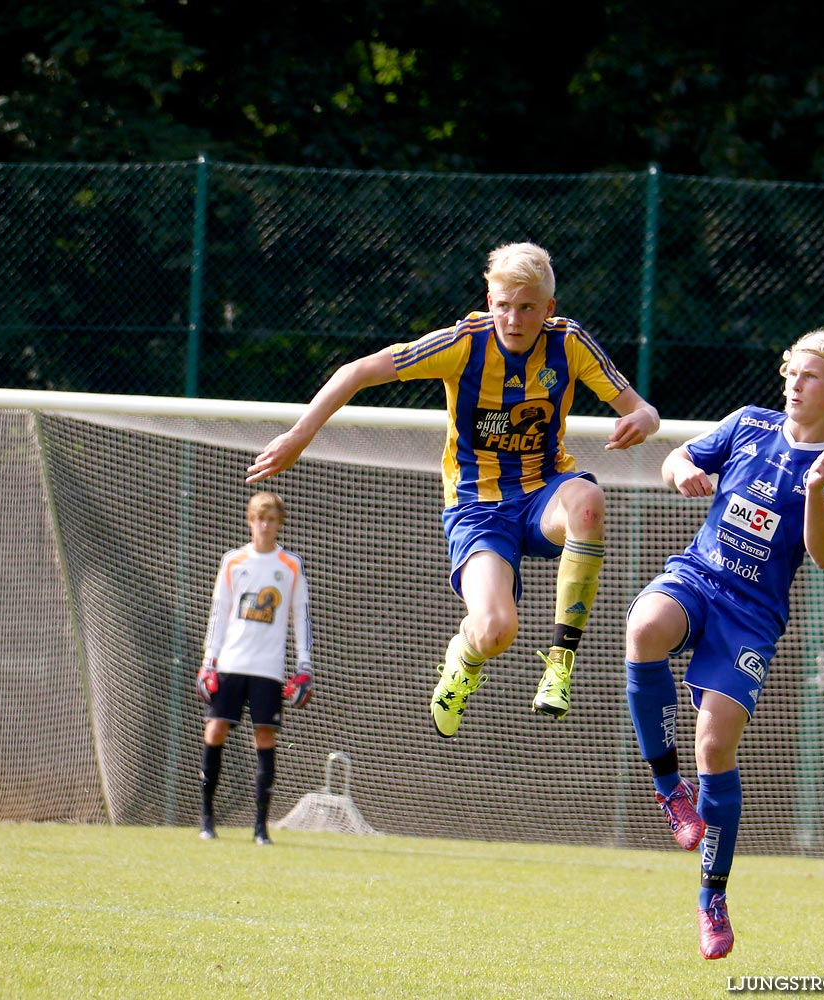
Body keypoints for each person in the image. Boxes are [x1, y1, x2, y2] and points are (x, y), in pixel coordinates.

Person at [246, 242, 660, 738]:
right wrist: (299, 435)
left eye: (527, 307)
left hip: (542, 493)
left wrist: (642, 417)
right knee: (495, 630)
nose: (513, 318)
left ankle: (560, 662)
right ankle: (463, 657)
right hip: (478, 508)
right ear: (490, 300)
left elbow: (643, 410)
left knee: (589, 499)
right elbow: (356, 372)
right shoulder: (464, 343)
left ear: (549, 309)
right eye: (504, 305)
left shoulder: (569, 344)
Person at [623, 327, 824, 959]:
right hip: (700, 577)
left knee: (715, 743)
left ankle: (712, 895)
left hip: (752, 618)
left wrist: (816, 492)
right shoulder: (747, 425)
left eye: (810, 376)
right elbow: (676, 459)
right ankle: (668, 792)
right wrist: (681, 469)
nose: (795, 383)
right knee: (643, 627)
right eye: (791, 371)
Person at [197, 492, 314, 845]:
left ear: (279, 523)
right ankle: (206, 817)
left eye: (271, 519)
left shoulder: (290, 565)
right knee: (215, 730)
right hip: (232, 662)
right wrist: (208, 662)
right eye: (259, 518)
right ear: (250, 521)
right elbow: (219, 613)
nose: (264, 525)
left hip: (268, 668)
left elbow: (300, 615)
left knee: (264, 736)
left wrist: (304, 664)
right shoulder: (233, 562)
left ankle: (261, 827)